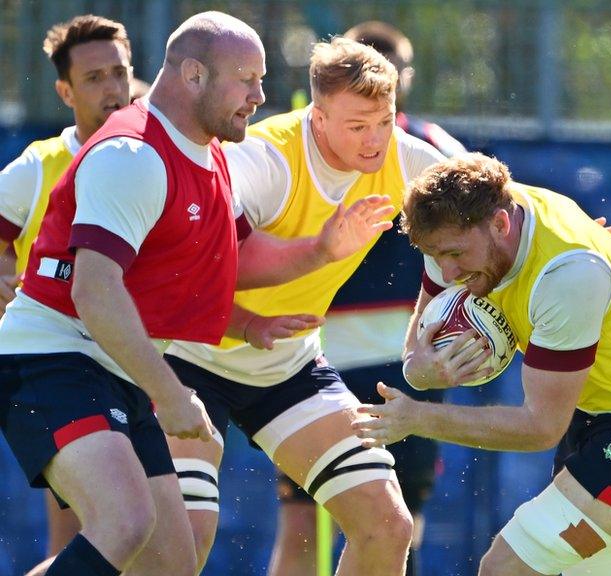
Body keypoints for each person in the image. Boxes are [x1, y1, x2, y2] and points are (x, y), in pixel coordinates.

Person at [0, 12, 390, 576]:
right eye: (246, 79)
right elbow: (95, 290)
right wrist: (173, 394)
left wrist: (253, 324)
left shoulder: (209, 161)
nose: (261, 96)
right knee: (123, 524)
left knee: (168, 565)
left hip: (118, 369)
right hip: (53, 359)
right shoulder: (133, 154)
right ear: (192, 75)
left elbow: (190, 286)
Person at [354, 152, 611, 576]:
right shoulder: (454, 229)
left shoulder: (567, 273)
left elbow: (541, 427)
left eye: (455, 254)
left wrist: (417, 417)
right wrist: (425, 370)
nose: (448, 271)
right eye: (436, 255)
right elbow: (414, 358)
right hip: (595, 407)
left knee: (506, 569)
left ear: (500, 225)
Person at [162, 36, 446, 575]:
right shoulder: (263, 157)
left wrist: (562, 236)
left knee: (388, 526)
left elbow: (490, 204)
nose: (374, 140)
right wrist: (320, 250)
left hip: (288, 367)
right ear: (317, 118)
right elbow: (210, 262)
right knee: (182, 537)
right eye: (356, 125)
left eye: (383, 121)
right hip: (188, 358)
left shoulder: (406, 152)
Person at [268, 21, 469, 576]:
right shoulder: (295, 152)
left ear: (402, 79)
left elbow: (486, 221)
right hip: (315, 363)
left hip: (405, 364)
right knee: (304, 527)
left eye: (386, 73)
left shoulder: (430, 153)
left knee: (400, 523)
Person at [0, 16, 130, 575]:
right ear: (65, 91)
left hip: (132, 368)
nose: (111, 88)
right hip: (58, 367)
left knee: (145, 537)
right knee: (87, 534)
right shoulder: (40, 165)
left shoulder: (150, 155)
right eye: (94, 76)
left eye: (119, 72)